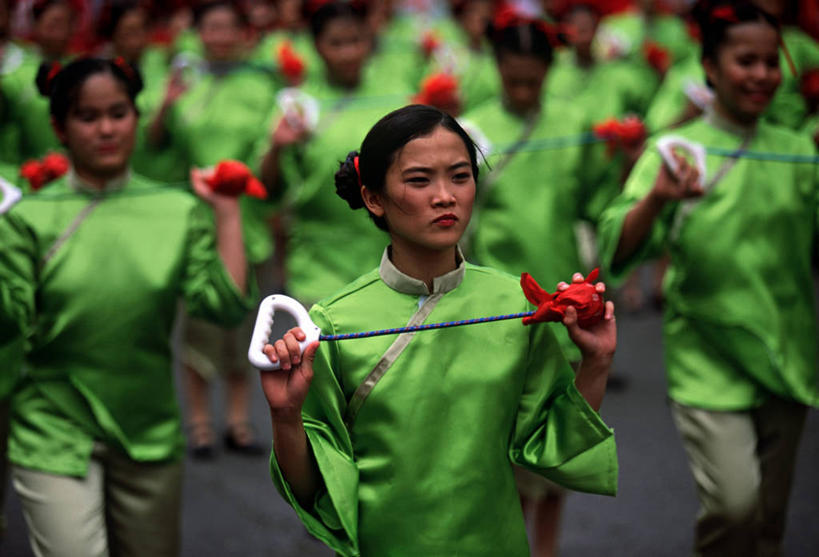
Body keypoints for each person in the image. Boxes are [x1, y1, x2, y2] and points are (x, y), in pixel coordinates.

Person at [258, 104, 618, 556]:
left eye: (460, 176)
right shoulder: (334, 321)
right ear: (373, 198)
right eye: (419, 180)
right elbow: (316, 487)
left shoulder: (514, 303)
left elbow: (553, 444)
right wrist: (285, 416)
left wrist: (596, 361)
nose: (445, 195)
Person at [0, 57, 253, 556]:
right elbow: (6, 324)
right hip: (51, 428)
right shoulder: (28, 218)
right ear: (59, 128)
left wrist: (227, 214)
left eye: (118, 113)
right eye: (87, 117)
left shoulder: (177, 210)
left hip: (149, 431)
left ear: (137, 117)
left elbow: (222, 306)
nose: (106, 129)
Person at [598, 2, 818, 555]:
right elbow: (617, 248)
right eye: (746, 60)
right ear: (711, 67)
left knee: (768, 521)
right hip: (707, 356)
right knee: (733, 506)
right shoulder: (673, 151)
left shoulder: (799, 152)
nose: (763, 75)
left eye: (772, 62)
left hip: (786, 352)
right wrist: (655, 200)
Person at [150, 0, 277, 458]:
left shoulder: (262, 86)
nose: (220, 37)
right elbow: (156, 146)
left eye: (229, 28)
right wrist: (164, 104)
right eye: (211, 28)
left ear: (245, 33)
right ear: (197, 32)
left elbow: (268, 148)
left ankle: (239, 421)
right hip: (194, 217)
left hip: (247, 217)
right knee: (197, 325)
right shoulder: (185, 81)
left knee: (246, 323)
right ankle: (200, 423)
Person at [256, 1, 409, 304]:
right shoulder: (297, 105)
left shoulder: (400, 94)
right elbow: (267, 188)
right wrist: (276, 146)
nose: (348, 52)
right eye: (336, 43)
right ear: (316, 46)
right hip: (316, 264)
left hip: (390, 256)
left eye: (356, 41)